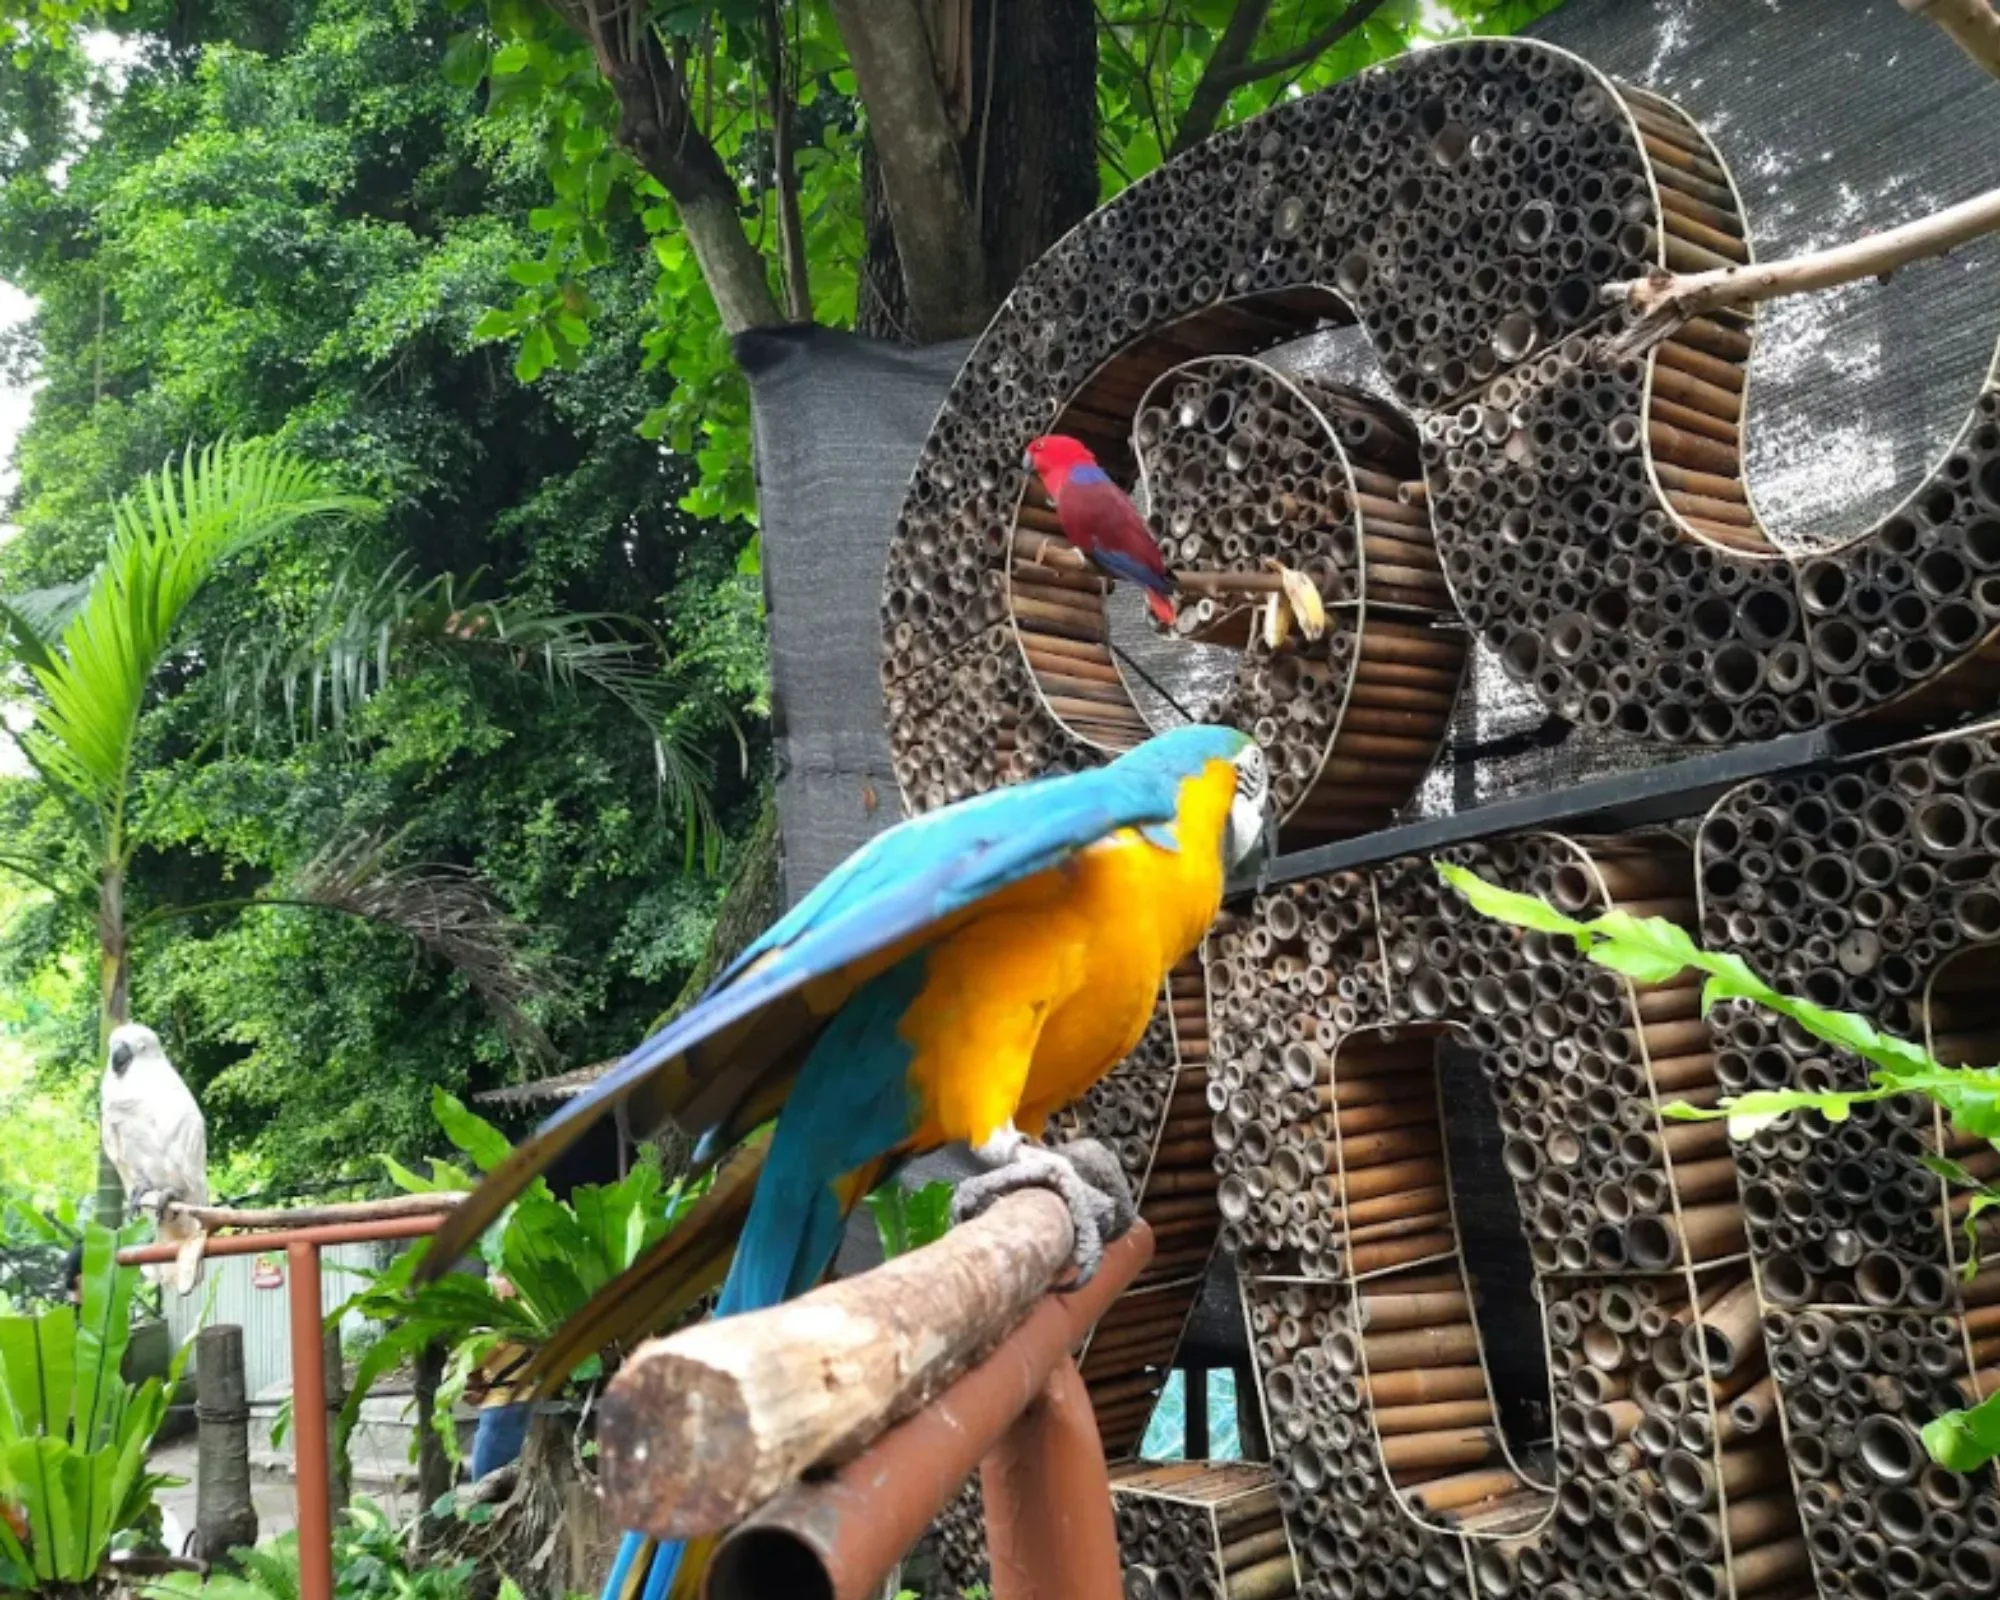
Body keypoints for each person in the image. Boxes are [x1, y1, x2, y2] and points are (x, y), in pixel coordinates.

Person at [467, 1272, 534, 1480]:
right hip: (526, 1399)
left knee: (483, 1482)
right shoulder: (534, 1313)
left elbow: (471, 1361)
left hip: (501, 1405)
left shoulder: (505, 1324)